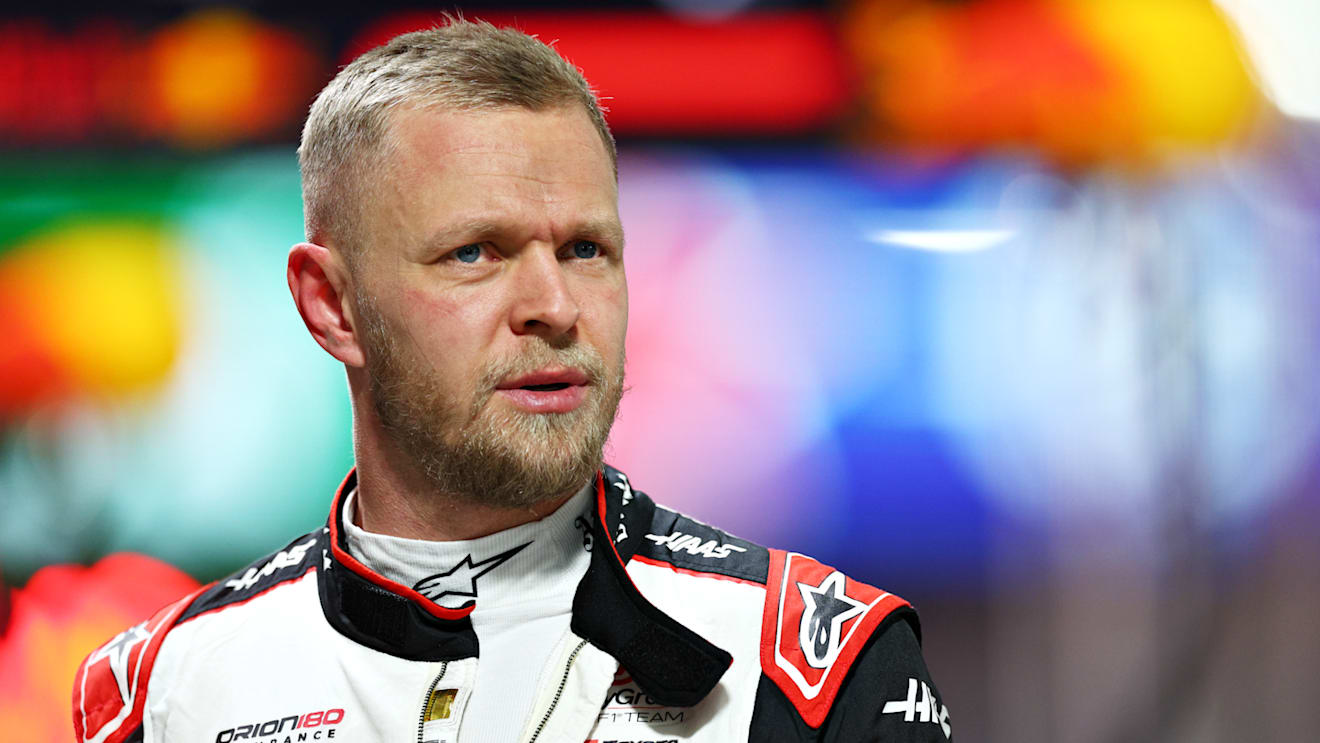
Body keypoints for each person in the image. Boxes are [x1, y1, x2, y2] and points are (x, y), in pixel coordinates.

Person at [73, 20, 952, 743]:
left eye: (584, 249)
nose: (555, 305)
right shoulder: (159, 693)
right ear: (332, 305)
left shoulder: (816, 673)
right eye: (475, 253)